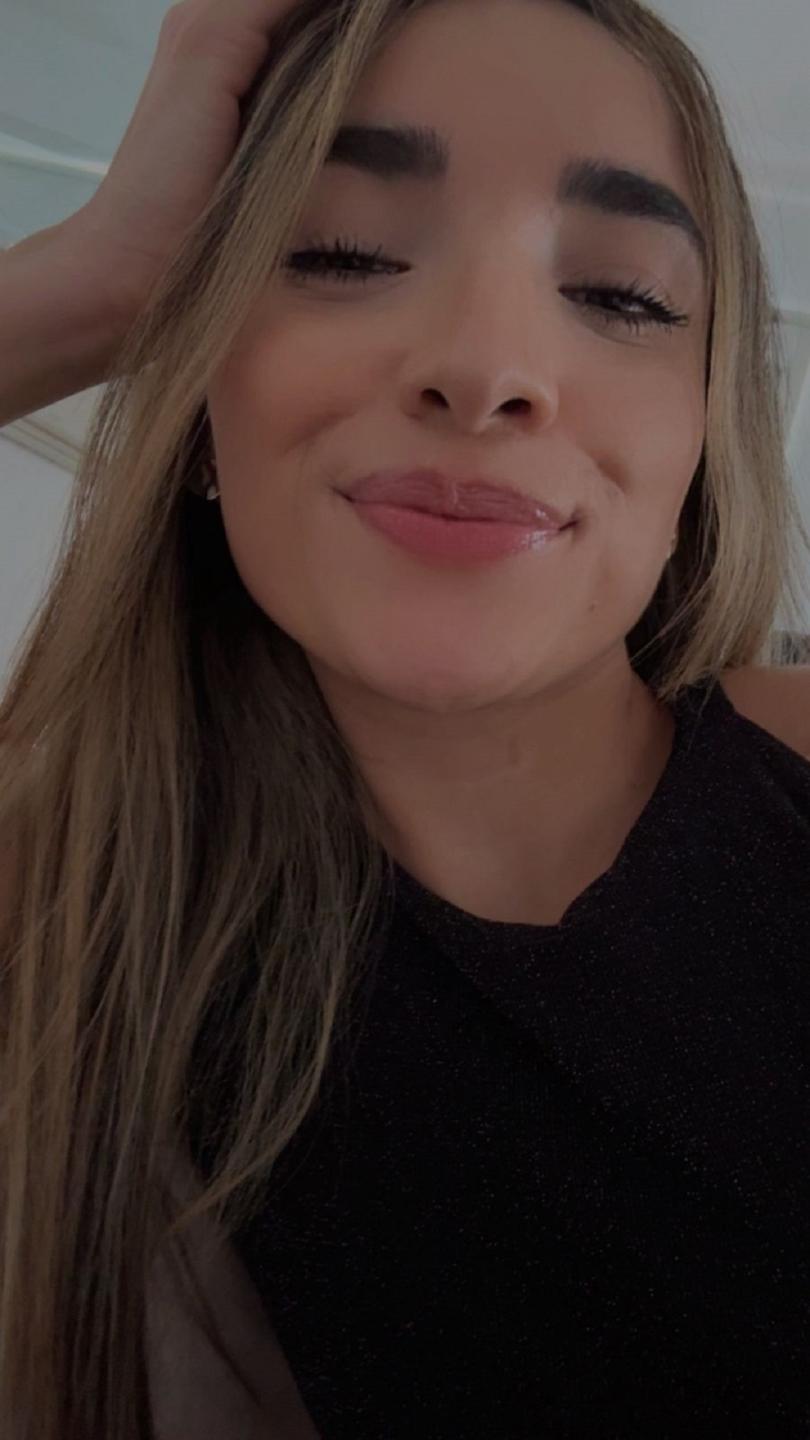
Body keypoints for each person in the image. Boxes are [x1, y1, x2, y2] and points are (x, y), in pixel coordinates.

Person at [1, 0, 809, 1435]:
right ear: (202, 388)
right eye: (339, 252)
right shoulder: (47, 911)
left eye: (623, 296)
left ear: (702, 431)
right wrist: (93, 285)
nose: (487, 369)